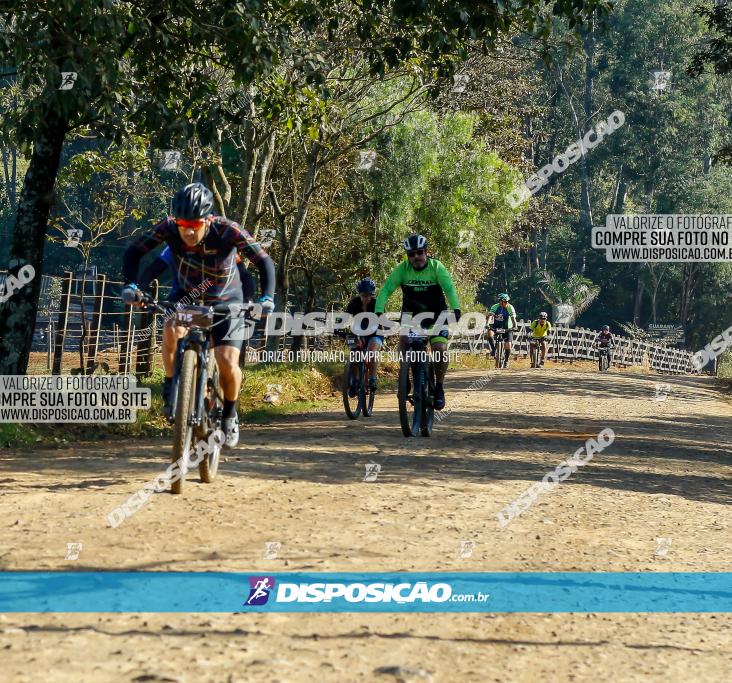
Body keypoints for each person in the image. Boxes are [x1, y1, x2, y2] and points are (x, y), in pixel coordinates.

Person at [121, 182, 275, 448]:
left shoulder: (228, 230)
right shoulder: (168, 228)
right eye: (183, 224)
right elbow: (135, 252)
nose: (188, 231)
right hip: (186, 298)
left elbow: (263, 260)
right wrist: (134, 287)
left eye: (195, 225)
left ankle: (230, 414)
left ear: (208, 220)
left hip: (228, 302)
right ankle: (170, 386)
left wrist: (265, 299)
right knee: (171, 326)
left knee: (227, 361)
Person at [374, 234, 461, 410]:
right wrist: (377, 312)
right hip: (411, 316)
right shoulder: (402, 270)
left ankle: (439, 387)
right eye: (411, 254)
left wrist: (456, 309)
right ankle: (404, 374)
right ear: (408, 256)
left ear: (426, 252)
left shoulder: (437, 267)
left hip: (436, 316)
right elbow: (385, 290)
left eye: (419, 253)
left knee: (439, 350)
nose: (416, 257)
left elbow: (449, 288)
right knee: (404, 340)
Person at [343, 277, 384, 392]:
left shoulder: (377, 304)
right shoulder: (354, 302)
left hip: (375, 333)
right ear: (359, 294)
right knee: (354, 353)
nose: (366, 298)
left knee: (371, 351)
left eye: (368, 295)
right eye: (363, 295)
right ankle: (354, 380)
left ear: (372, 294)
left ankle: (372, 378)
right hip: (358, 332)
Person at [487, 293, 518, 368]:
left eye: (507, 301)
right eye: (505, 301)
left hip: (507, 328)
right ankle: (493, 349)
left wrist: (515, 326)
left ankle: (506, 361)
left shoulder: (510, 307)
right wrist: (487, 324)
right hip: (496, 326)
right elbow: (491, 316)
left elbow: (513, 318)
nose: (506, 303)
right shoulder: (495, 306)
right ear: (500, 301)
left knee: (508, 346)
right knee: (489, 333)